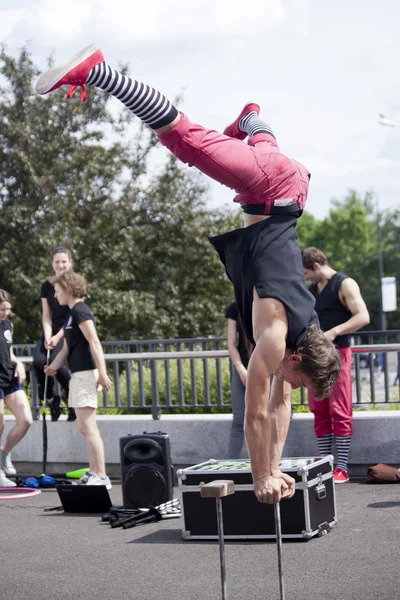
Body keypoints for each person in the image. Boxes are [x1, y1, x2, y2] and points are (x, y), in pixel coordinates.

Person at [36, 44, 342, 503]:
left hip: (289, 191)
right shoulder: (278, 338)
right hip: (269, 185)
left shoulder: (308, 336)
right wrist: (261, 478)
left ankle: (251, 121)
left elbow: (282, 408)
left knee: (259, 141)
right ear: (296, 361)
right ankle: (99, 72)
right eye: (296, 381)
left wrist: (276, 469)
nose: (291, 388)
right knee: (184, 138)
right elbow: (256, 417)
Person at [302, 247, 370, 483]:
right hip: (315, 357)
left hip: (338, 353)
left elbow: (362, 316)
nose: (305, 277)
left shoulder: (345, 283)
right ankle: (325, 465)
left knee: (339, 410)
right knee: (319, 410)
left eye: (306, 272)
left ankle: (341, 467)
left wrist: (334, 332)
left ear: (317, 266)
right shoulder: (311, 290)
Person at [44, 271, 113, 489]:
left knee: (88, 427)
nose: (55, 296)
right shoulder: (71, 314)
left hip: (86, 375)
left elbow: (94, 342)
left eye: (57, 291)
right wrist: (53, 366)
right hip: (77, 375)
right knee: (84, 427)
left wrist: (102, 373)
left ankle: (101, 476)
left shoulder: (81, 311)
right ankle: (94, 472)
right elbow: (66, 348)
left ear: (67, 289)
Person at [33, 246, 75, 422]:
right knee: (39, 362)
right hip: (51, 330)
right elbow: (46, 315)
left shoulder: (75, 283)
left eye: (64, 261)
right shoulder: (46, 286)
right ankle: (51, 400)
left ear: (70, 263)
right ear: (52, 264)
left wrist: (58, 337)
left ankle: (73, 401)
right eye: (57, 262)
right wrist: (49, 335)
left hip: (69, 330)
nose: (61, 265)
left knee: (55, 364)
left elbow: (75, 314)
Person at [0, 290, 33, 487]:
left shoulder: (8, 325)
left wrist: (19, 363)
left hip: (9, 377)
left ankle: (4, 453)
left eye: (7, 310)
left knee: (26, 420)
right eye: (1, 309)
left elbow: (9, 352)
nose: (4, 313)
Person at [225, 300, 252, 459]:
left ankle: (272, 466)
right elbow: (231, 344)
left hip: (266, 368)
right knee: (239, 419)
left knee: (267, 417)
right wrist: (242, 370)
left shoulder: (267, 302)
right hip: (241, 367)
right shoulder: (235, 307)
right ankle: (229, 467)